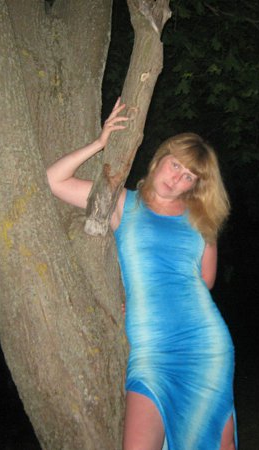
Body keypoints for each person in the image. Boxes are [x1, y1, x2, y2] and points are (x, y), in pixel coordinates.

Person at [47, 98, 237, 450]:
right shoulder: (123, 203)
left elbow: (205, 281)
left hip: (204, 345)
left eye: (189, 176)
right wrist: (100, 143)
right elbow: (54, 181)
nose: (177, 178)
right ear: (160, 158)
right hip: (151, 349)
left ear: (195, 186)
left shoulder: (201, 220)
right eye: (175, 165)